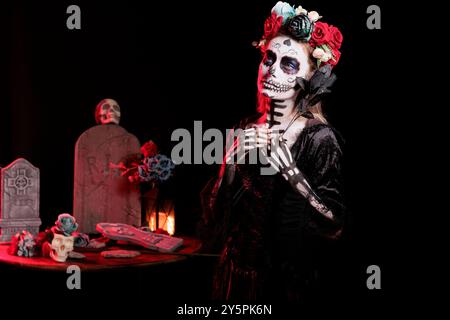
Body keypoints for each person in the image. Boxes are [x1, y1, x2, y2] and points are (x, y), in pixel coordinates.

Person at [199, 2, 346, 302]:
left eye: (289, 64)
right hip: (233, 280)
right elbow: (214, 218)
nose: (271, 70)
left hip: (284, 285)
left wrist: (293, 174)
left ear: (311, 78)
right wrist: (228, 163)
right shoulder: (244, 127)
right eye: (269, 57)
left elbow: (335, 224)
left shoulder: (319, 137)